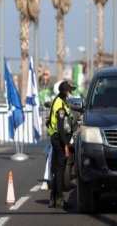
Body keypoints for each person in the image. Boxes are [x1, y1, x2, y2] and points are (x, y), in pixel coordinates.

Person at [47, 80, 76, 209]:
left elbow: (49, 122)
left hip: (55, 138)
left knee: (56, 169)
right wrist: (65, 145)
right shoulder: (60, 106)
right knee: (59, 170)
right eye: (69, 91)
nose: (70, 93)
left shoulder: (58, 101)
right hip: (59, 139)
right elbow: (60, 126)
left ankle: (53, 198)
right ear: (65, 92)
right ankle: (59, 199)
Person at [41, 80, 62, 191]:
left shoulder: (64, 101)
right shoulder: (56, 102)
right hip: (56, 135)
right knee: (51, 156)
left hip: (64, 134)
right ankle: (46, 180)